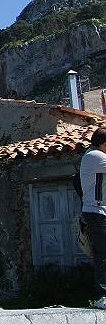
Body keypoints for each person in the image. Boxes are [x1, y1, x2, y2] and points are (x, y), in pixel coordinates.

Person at [80, 127, 106, 309]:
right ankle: (101, 297)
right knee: (103, 255)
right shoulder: (95, 156)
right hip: (97, 214)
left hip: (99, 213)